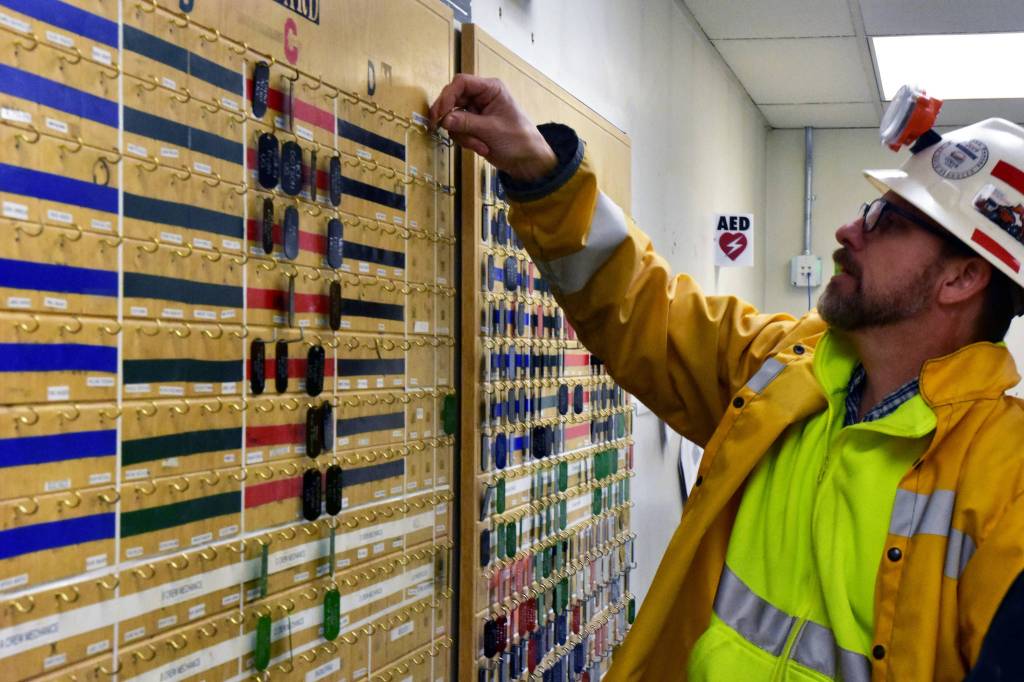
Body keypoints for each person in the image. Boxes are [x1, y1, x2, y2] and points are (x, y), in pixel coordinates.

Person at [431, 74, 1024, 681]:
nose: (850, 231)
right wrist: (541, 173)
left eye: (887, 221)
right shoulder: (782, 368)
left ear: (961, 280)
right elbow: (641, 305)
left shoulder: (1005, 478)